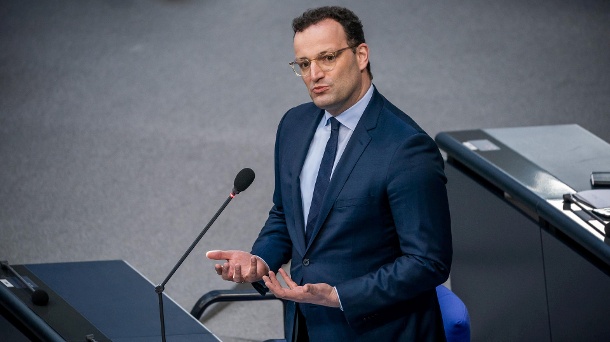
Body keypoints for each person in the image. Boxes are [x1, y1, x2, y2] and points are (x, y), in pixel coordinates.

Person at [206, 6, 452, 341]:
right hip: (305, 324)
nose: (314, 74)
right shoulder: (294, 125)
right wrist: (261, 260)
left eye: (327, 58)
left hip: (377, 330)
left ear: (361, 55)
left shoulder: (406, 149)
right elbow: (285, 214)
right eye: (304, 64)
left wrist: (338, 296)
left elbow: (428, 263)